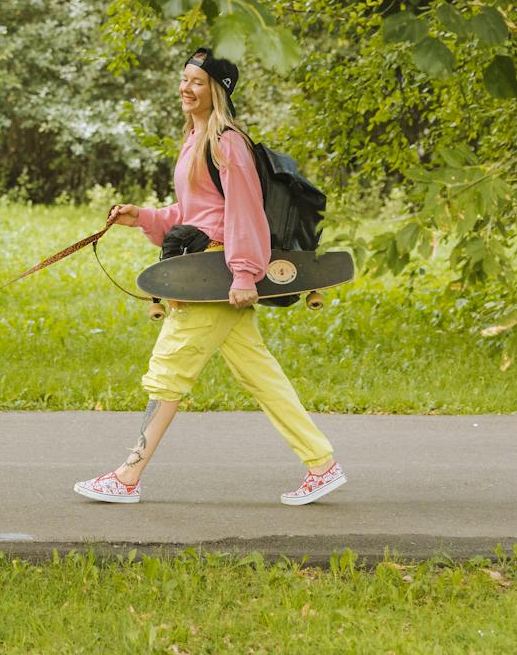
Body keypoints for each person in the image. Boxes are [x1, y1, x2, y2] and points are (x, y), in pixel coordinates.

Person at [72, 48, 346, 507]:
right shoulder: (195, 138)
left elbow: (244, 214)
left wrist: (244, 274)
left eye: (197, 82)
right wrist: (143, 216)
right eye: (183, 79)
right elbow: (194, 212)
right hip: (205, 265)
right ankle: (321, 464)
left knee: (169, 369)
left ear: (217, 90)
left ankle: (126, 476)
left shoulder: (227, 142)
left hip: (216, 274)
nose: (186, 88)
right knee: (260, 373)